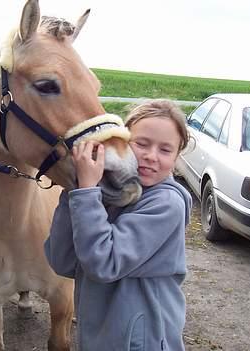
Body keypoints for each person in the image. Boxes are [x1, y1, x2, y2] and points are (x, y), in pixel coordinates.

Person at [44, 100, 192, 351]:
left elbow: (103, 263)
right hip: (101, 334)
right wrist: (75, 187)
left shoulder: (166, 205)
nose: (151, 156)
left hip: (141, 342)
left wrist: (87, 192)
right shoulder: (112, 194)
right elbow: (63, 261)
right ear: (121, 144)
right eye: (142, 143)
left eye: (165, 150)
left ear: (177, 157)